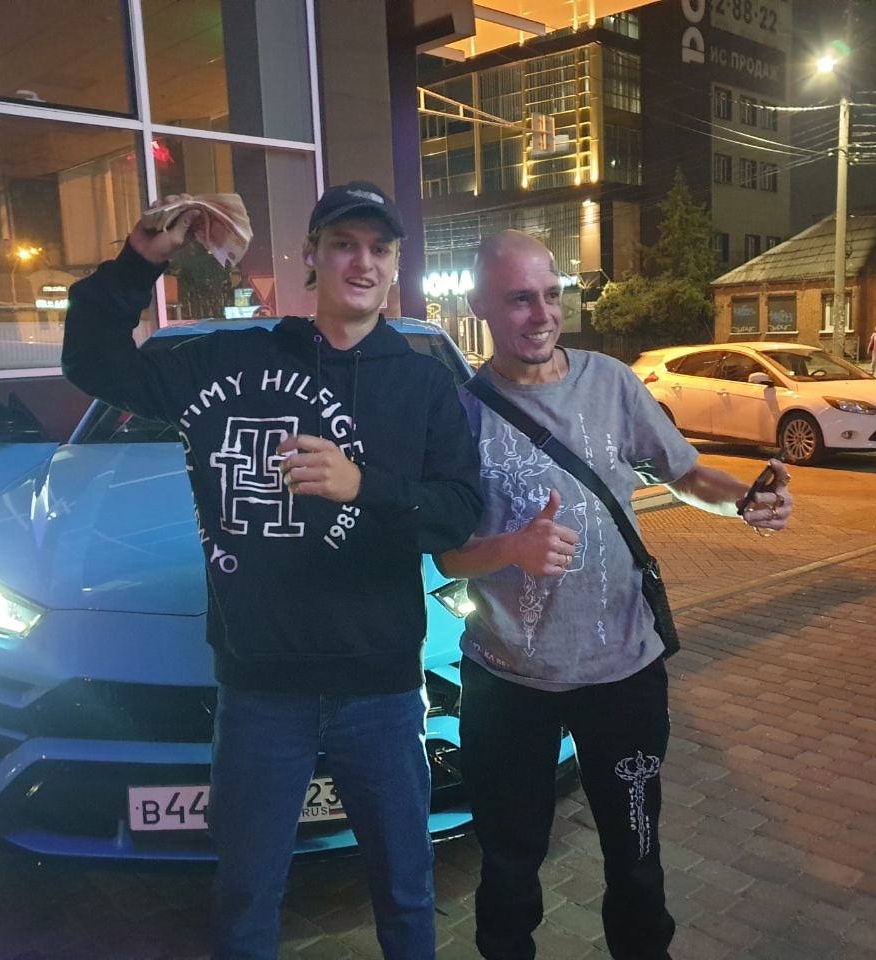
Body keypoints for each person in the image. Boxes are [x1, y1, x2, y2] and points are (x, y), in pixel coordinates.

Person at [62, 181, 483, 960]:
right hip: (261, 690)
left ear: (396, 264)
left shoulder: (422, 382)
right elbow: (91, 360)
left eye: (379, 248)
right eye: (344, 243)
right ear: (311, 255)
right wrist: (140, 260)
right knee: (246, 892)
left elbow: (459, 513)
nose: (362, 262)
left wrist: (363, 486)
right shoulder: (233, 360)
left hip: (381, 688)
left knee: (404, 886)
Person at [437, 230, 794, 960]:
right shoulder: (460, 414)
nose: (542, 314)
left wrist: (743, 501)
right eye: (519, 299)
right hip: (508, 684)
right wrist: (512, 549)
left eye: (551, 295)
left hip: (623, 675)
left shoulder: (611, 382)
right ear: (479, 307)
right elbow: (446, 552)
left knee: (636, 861)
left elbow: (686, 475)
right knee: (508, 868)